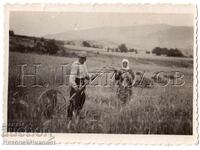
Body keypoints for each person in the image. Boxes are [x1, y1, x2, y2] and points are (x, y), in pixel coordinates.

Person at [67, 51, 90, 120]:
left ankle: (77, 114)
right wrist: (75, 87)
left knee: (82, 99)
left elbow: (86, 74)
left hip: (82, 83)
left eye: (83, 58)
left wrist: (89, 77)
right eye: (80, 58)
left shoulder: (84, 64)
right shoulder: (75, 65)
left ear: (85, 59)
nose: (82, 59)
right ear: (78, 57)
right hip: (76, 83)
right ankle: (69, 117)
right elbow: (71, 78)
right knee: (73, 100)